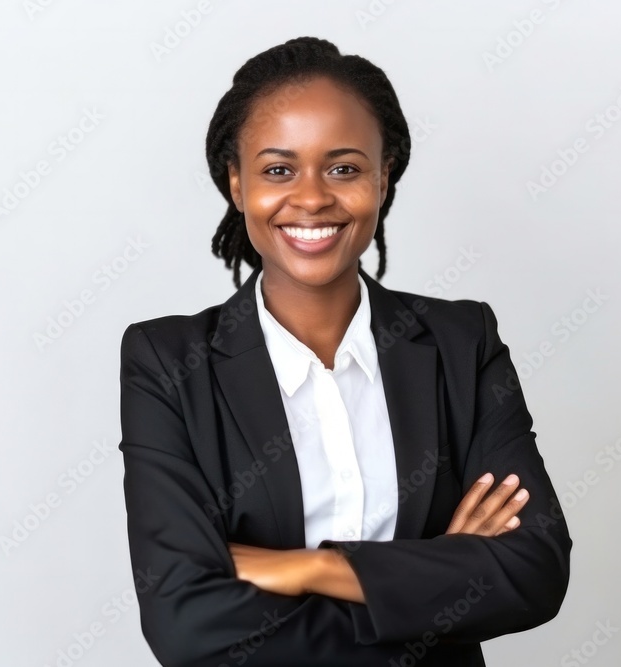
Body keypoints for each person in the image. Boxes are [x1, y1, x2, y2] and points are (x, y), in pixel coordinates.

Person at [118, 36, 572, 667]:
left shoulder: (461, 344)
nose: (311, 198)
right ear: (236, 184)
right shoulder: (168, 363)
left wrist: (308, 569)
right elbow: (186, 624)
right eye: (278, 169)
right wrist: (432, 584)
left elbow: (535, 570)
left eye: (344, 168)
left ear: (383, 178)